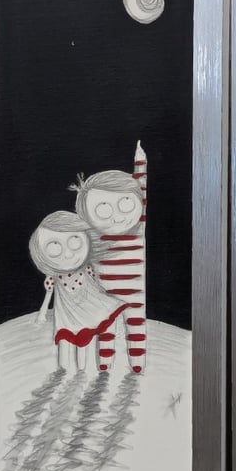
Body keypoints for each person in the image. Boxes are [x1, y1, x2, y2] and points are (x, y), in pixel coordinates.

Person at [72, 140, 147, 372]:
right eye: (103, 210)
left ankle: (137, 366)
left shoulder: (138, 227)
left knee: (136, 327)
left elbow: (141, 185)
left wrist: (140, 160)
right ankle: (105, 366)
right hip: (105, 292)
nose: (117, 216)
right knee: (106, 329)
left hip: (135, 293)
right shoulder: (94, 236)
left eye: (125, 204)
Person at [30, 211, 129, 371]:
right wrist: (42, 313)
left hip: (86, 313)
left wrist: (105, 299)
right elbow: (49, 292)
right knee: (64, 345)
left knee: (83, 348)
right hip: (65, 316)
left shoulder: (87, 268)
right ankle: (65, 371)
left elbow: (95, 287)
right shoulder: (54, 276)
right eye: (54, 247)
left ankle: (81, 371)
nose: (68, 253)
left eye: (75, 241)